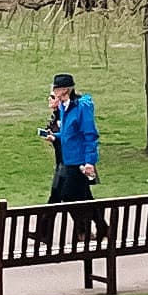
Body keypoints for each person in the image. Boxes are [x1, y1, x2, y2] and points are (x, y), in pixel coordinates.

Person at [41, 72, 100, 205]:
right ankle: (99, 225)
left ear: (65, 90)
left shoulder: (81, 108)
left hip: (79, 163)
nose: (54, 92)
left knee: (70, 197)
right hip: (67, 161)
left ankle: (84, 225)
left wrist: (90, 162)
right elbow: (68, 133)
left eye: (56, 89)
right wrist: (55, 137)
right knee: (81, 199)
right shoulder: (63, 107)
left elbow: (90, 135)